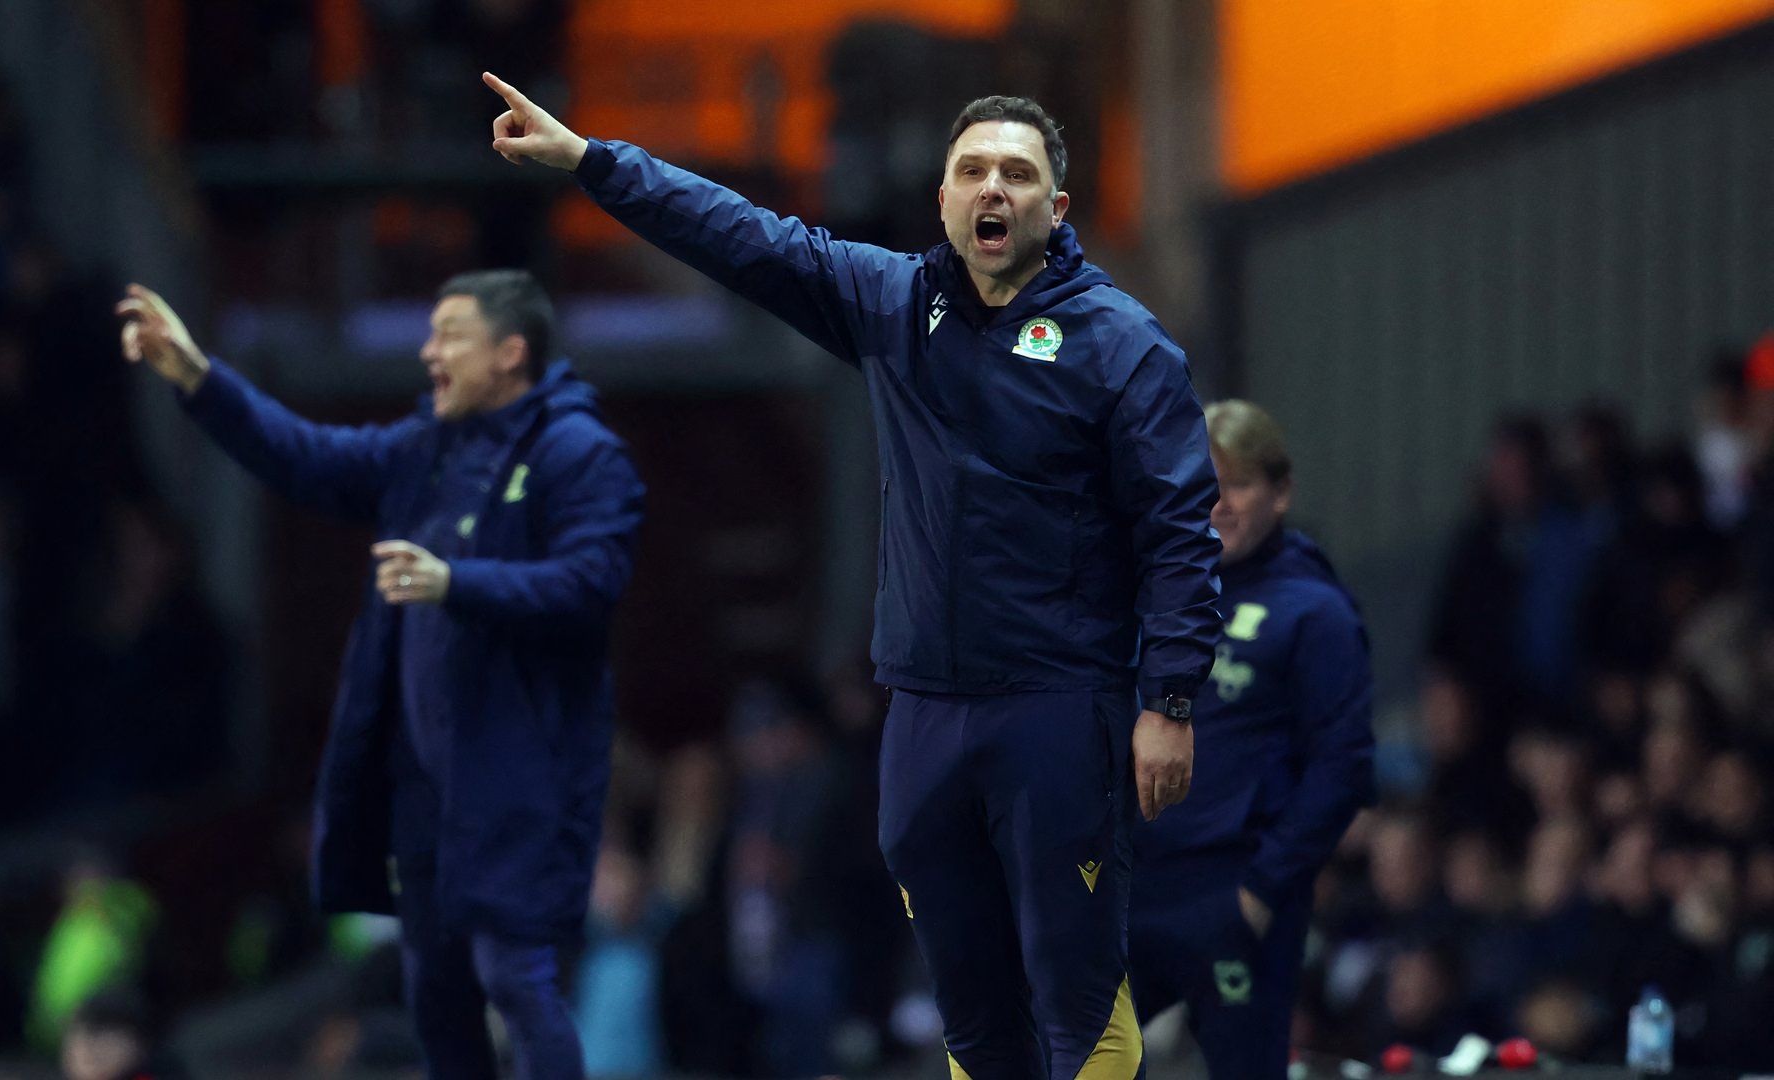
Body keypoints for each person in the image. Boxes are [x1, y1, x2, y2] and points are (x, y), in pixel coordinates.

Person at [477, 74, 1221, 1079]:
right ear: (944, 200)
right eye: (971, 171)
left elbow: (1180, 530)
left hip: (1058, 707)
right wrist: (595, 163)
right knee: (968, 1000)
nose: (992, 188)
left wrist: (1168, 698)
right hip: (921, 714)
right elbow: (741, 236)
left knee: (1075, 993)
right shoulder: (892, 301)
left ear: (1059, 206)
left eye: (1017, 173)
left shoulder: (1123, 346)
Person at [116, 269, 645, 1080]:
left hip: (522, 773)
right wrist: (198, 375)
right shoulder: (428, 446)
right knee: (434, 986)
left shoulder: (576, 453)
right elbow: (308, 459)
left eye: (449, 336)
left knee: (513, 975)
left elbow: (591, 581)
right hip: (425, 780)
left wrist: (454, 583)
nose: (428, 352)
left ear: (510, 353)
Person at [1123, 400, 1374, 1078]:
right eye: (1201, 485)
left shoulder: (1314, 611)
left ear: (1281, 490)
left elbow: (1344, 768)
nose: (1217, 504)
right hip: (1130, 890)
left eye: (1236, 484)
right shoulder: (1150, 591)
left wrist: (1262, 893)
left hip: (1234, 901)